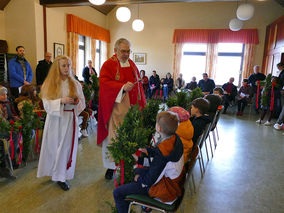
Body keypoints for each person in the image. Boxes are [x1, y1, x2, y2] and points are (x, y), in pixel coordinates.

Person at [113, 111, 184, 213]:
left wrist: (139, 179)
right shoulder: (175, 138)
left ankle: (142, 204)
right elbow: (159, 161)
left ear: (159, 128)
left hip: (165, 189)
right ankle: (144, 206)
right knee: (137, 170)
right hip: (171, 181)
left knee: (117, 192)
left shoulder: (162, 155)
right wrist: (149, 152)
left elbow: (151, 179)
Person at [97, 38, 146, 180]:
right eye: (123, 51)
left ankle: (128, 165)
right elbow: (104, 84)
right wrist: (122, 87)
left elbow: (138, 86)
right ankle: (111, 167)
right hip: (115, 109)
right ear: (115, 50)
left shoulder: (131, 64)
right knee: (114, 138)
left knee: (130, 137)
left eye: (128, 51)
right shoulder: (108, 65)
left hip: (131, 109)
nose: (126, 54)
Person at [37, 55, 85, 191]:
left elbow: (82, 100)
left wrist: (76, 102)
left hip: (69, 119)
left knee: (65, 148)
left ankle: (61, 176)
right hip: (55, 119)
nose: (66, 68)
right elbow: (46, 104)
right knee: (54, 147)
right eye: (63, 65)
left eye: (68, 65)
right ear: (57, 67)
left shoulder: (74, 83)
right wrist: (61, 101)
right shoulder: (49, 83)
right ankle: (54, 171)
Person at [0, 86, 19, 171]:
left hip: (9, 125)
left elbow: (12, 115)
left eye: (6, 94)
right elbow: (2, 120)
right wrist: (10, 126)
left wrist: (16, 119)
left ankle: (14, 151)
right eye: (2, 95)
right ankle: (11, 157)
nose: (5, 96)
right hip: (2, 128)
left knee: (19, 130)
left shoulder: (8, 103)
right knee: (14, 134)